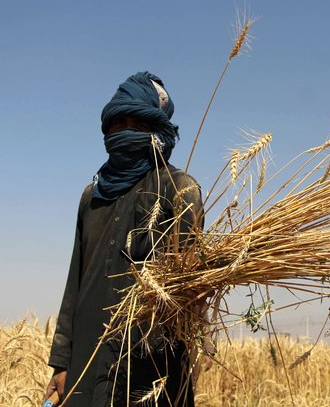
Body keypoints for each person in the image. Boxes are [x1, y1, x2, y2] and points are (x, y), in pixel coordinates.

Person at [44, 71, 203, 407]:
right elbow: (74, 282)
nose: (122, 131)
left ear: (156, 131)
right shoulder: (92, 196)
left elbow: (189, 289)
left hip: (148, 364)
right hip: (86, 357)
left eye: (135, 124)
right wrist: (61, 361)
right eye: (117, 123)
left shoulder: (179, 189)